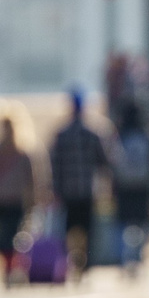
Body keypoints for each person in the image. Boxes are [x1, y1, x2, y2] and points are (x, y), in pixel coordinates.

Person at [48, 90, 108, 279]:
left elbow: (54, 165)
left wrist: (54, 189)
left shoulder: (61, 134)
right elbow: (104, 161)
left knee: (67, 229)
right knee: (87, 229)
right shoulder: (93, 133)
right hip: (87, 190)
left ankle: (67, 262)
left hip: (67, 191)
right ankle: (85, 264)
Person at [0, 113, 37, 283]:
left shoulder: (22, 152)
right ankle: (9, 267)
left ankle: (13, 268)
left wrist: (33, 198)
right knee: (2, 238)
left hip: (16, 201)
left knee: (14, 236)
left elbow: (31, 178)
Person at [109, 97, 149, 278]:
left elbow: (113, 163)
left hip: (124, 186)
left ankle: (123, 258)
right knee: (142, 223)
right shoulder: (147, 136)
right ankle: (138, 257)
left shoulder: (120, 136)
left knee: (122, 224)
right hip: (143, 185)